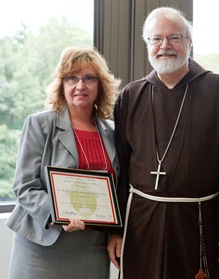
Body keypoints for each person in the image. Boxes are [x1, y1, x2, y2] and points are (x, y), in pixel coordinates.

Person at [107, 6, 219, 279]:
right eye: (156, 39)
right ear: (147, 44)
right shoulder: (130, 96)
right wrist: (117, 230)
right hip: (142, 223)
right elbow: (121, 170)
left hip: (198, 223)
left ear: (189, 43)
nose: (165, 46)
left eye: (174, 37)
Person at [6, 46, 121, 279]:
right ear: (62, 84)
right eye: (72, 78)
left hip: (93, 248)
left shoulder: (112, 132)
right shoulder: (39, 125)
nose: (80, 86)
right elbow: (24, 186)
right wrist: (56, 214)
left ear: (100, 86)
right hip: (43, 246)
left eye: (89, 78)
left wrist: (117, 231)